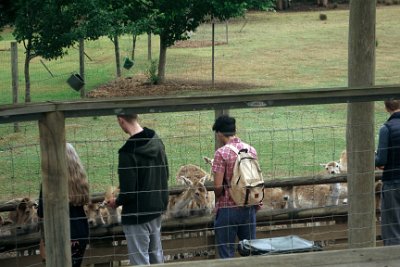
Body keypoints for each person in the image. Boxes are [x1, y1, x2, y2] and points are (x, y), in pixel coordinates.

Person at [107, 113, 169, 265]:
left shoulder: (127, 153)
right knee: (156, 259)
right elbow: (165, 173)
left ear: (121, 120)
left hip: (136, 216)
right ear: (136, 116)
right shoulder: (156, 140)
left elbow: (128, 192)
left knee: (140, 261)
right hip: (156, 210)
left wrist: (116, 202)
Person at [211, 115, 260, 258]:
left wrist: (220, 195)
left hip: (228, 208)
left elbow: (218, 186)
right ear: (235, 130)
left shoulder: (221, 153)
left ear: (219, 133)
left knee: (227, 253)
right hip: (249, 206)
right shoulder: (251, 150)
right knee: (250, 250)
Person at [38, 143, 90, 267]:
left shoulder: (48, 183)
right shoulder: (81, 181)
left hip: (58, 233)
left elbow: (41, 213)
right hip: (80, 231)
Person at [375, 99, 400, 246]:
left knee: (392, 228)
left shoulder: (386, 129)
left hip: (393, 182)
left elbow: (381, 160)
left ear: (386, 108)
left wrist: (375, 158)